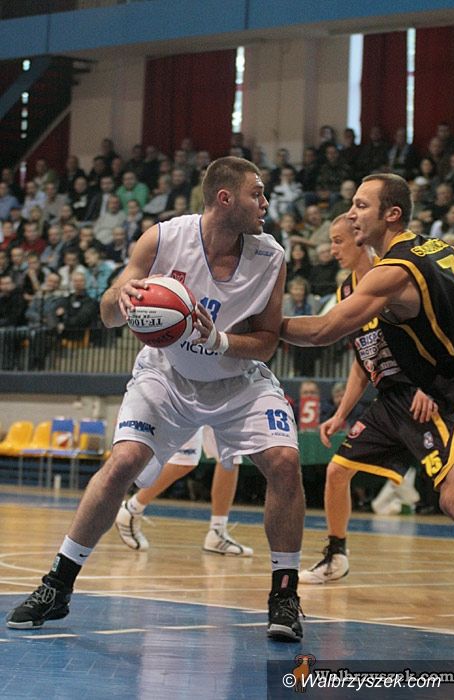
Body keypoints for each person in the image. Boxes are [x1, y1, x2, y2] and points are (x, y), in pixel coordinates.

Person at [7, 156, 305, 642]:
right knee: (122, 462)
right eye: (257, 193)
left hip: (236, 378)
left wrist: (220, 341)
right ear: (225, 198)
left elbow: (268, 341)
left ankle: (285, 596)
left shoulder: (270, 256)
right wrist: (120, 298)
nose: (265, 203)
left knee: (285, 463)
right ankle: (57, 585)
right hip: (167, 374)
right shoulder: (163, 238)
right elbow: (108, 313)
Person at [281, 174, 454, 539]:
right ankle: (336, 552)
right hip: (433, 392)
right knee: (451, 495)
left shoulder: (394, 272)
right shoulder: (439, 249)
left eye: (361, 206)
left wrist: (258, 323)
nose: (351, 214)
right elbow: (361, 359)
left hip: (451, 389)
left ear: (392, 214)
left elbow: (322, 330)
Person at [116, 426, 253, 556]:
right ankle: (132, 508)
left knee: (229, 455)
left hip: (217, 408)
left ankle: (218, 531)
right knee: (184, 461)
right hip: (191, 409)